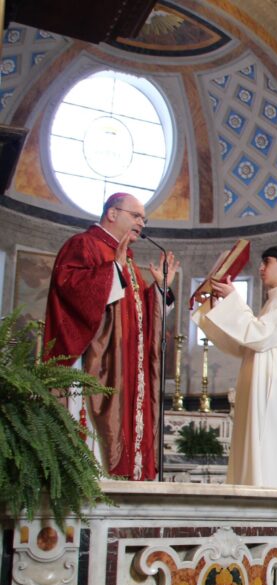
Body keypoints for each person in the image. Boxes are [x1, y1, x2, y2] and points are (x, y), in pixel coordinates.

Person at [44, 192, 178, 481]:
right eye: (136, 216)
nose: (142, 222)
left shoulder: (126, 260)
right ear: (112, 214)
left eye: (144, 218)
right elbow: (71, 289)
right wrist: (112, 270)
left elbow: (139, 313)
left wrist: (159, 290)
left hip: (123, 366)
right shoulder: (84, 245)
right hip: (92, 363)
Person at [192, 245, 277, 488]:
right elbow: (243, 346)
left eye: (267, 262)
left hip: (275, 396)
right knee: (252, 458)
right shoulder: (275, 303)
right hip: (261, 392)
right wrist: (215, 309)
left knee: (266, 463)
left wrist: (233, 301)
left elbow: (259, 335)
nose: (261, 268)